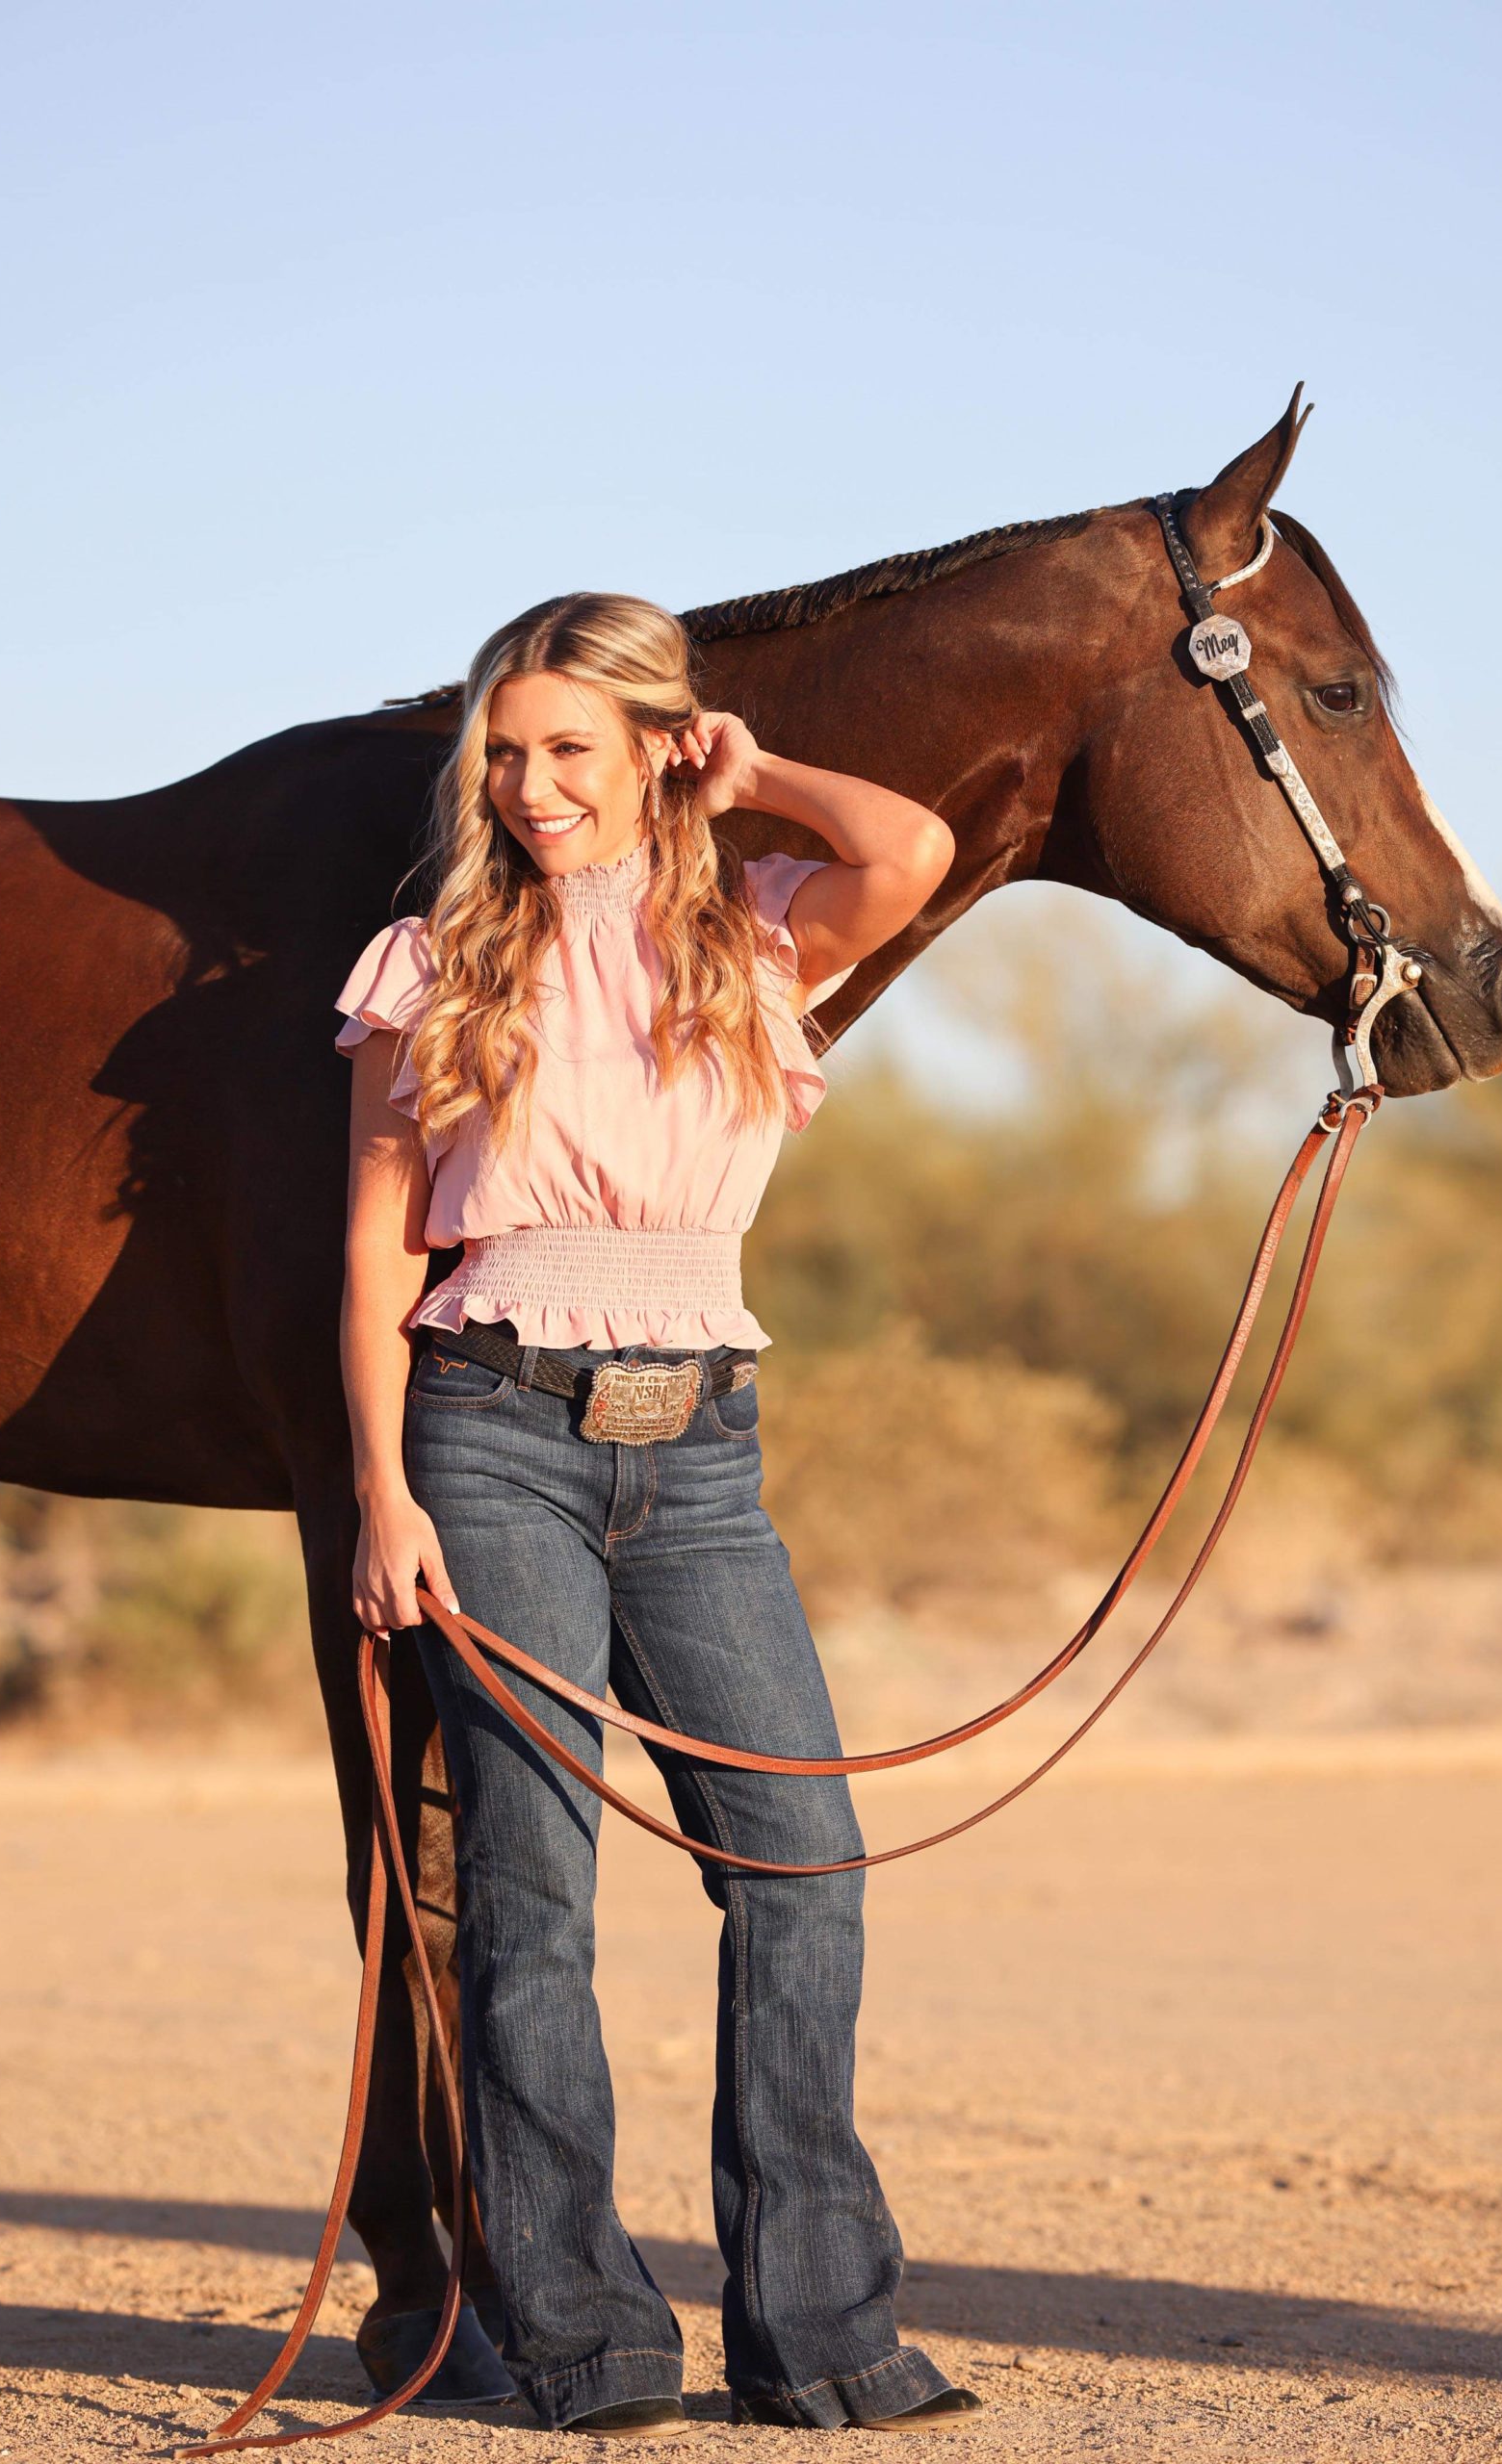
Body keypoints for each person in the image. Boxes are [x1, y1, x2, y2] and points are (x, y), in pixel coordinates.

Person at [335, 591, 975, 2441]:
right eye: (506, 753)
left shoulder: (759, 934)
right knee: (531, 1895)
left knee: (801, 1860)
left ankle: (821, 2333)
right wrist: (384, 1493)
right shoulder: (431, 961)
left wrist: (756, 774)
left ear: (651, 750)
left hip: (702, 1452)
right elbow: (378, 1247)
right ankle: (580, 2337)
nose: (532, 787)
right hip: (492, 1423)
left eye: (570, 749)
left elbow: (911, 847)